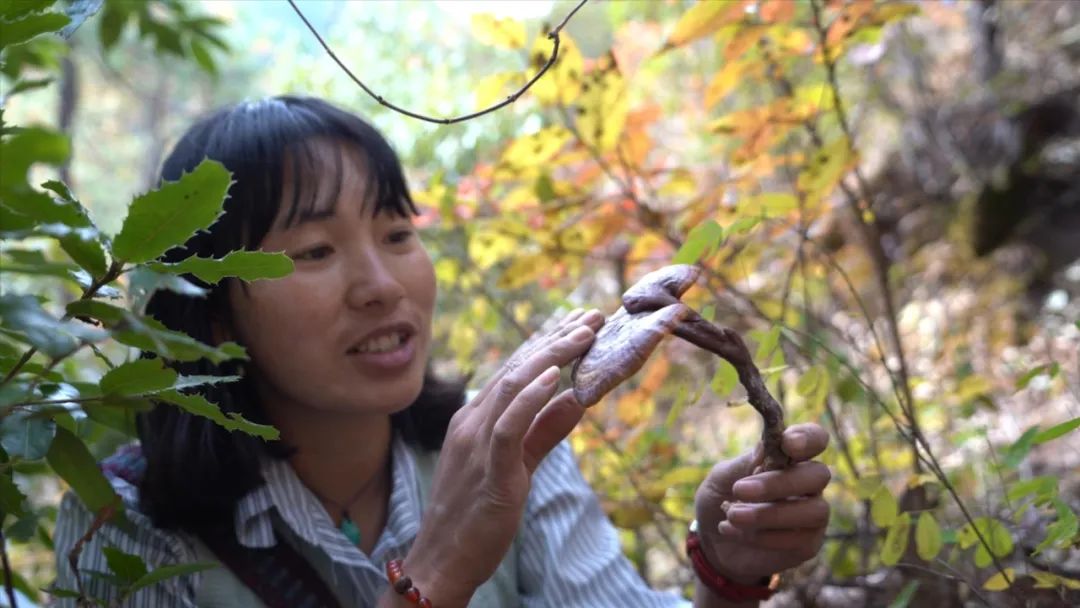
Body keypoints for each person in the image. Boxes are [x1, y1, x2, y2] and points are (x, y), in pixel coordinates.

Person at [53, 96, 831, 608]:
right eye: (316, 251)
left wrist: (723, 574)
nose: (381, 284)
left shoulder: (507, 450)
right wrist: (433, 579)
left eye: (397, 234)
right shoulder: (124, 519)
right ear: (214, 315)